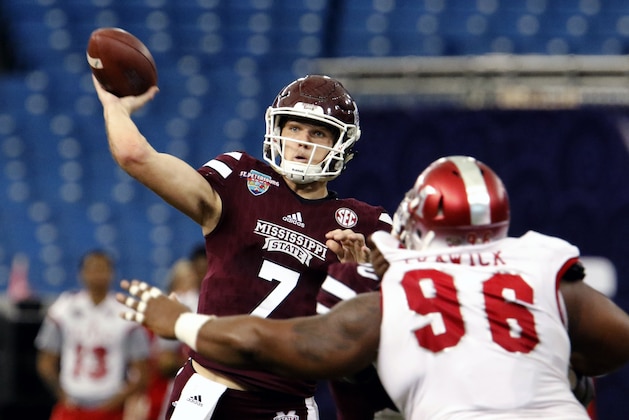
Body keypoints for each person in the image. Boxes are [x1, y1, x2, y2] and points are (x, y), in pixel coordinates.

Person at [116, 155, 629, 419]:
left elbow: (278, 343)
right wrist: (568, 372)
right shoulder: (540, 263)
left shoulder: (396, 282)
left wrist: (177, 320)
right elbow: (614, 343)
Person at [92, 73, 392, 419]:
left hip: (287, 405)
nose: (301, 142)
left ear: (342, 144)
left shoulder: (365, 224)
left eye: (318, 133)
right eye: (293, 128)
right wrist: (114, 106)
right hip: (204, 394)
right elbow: (135, 156)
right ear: (276, 130)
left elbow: (400, 316)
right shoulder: (240, 178)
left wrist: (364, 273)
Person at [34, 249, 151, 420]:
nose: (97, 275)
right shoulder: (63, 309)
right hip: (71, 406)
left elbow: (142, 369)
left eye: (102, 269)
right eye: (92, 269)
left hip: (110, 407)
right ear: (81, 273)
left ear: (112, 273)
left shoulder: (126, 314)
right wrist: (62, 394)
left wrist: (118, 400)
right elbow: (45, 361)